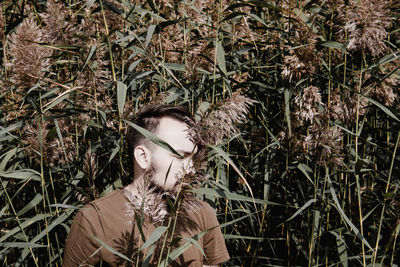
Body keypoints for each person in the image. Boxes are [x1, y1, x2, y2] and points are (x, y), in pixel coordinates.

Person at [63, 104, 230, 267]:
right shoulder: (95, 219)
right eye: (180, 156)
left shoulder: (201, 213)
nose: (191, 169)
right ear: (143, 157)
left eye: (192, 158)